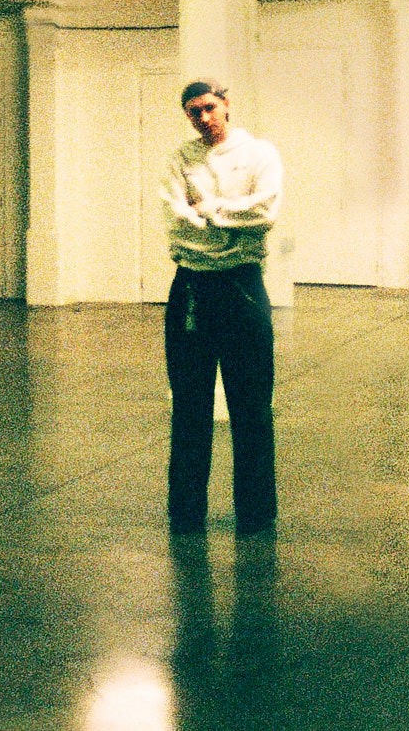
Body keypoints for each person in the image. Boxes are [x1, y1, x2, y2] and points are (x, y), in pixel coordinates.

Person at [159, 78, 284, 536]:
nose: (203, 118)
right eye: (193, 112)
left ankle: (256, 514)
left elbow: (266, 212)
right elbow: (176, 222)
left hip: (242, 289)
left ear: (227, 104)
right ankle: (186, 512)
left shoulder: (261, 155)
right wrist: (232, 219)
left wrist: (208, 209)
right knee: (189, 407)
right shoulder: (180, 159)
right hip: (190, 290)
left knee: (251, 406)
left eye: (209, 108)